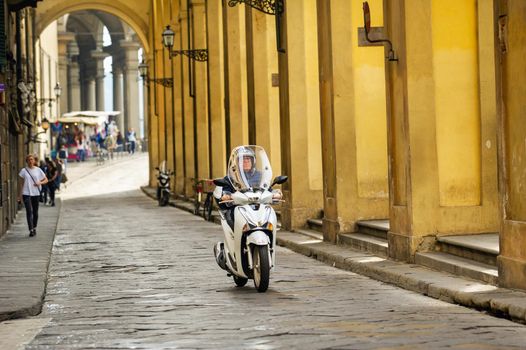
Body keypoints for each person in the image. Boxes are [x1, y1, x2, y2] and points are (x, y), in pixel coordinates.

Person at [18, 154, 48, 237]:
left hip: (36, 193)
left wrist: (40, 183)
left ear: (34, 161)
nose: (30, 161)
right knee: (29, 211)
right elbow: (21, 184)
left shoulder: (38, 170)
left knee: (35, 212)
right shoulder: (23, 171)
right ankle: (31, 230)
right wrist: (19, 196)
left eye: (32, 159)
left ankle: (34, 227)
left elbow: (46, 180)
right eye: (29, 160)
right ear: (26, 161)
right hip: (26, 193)